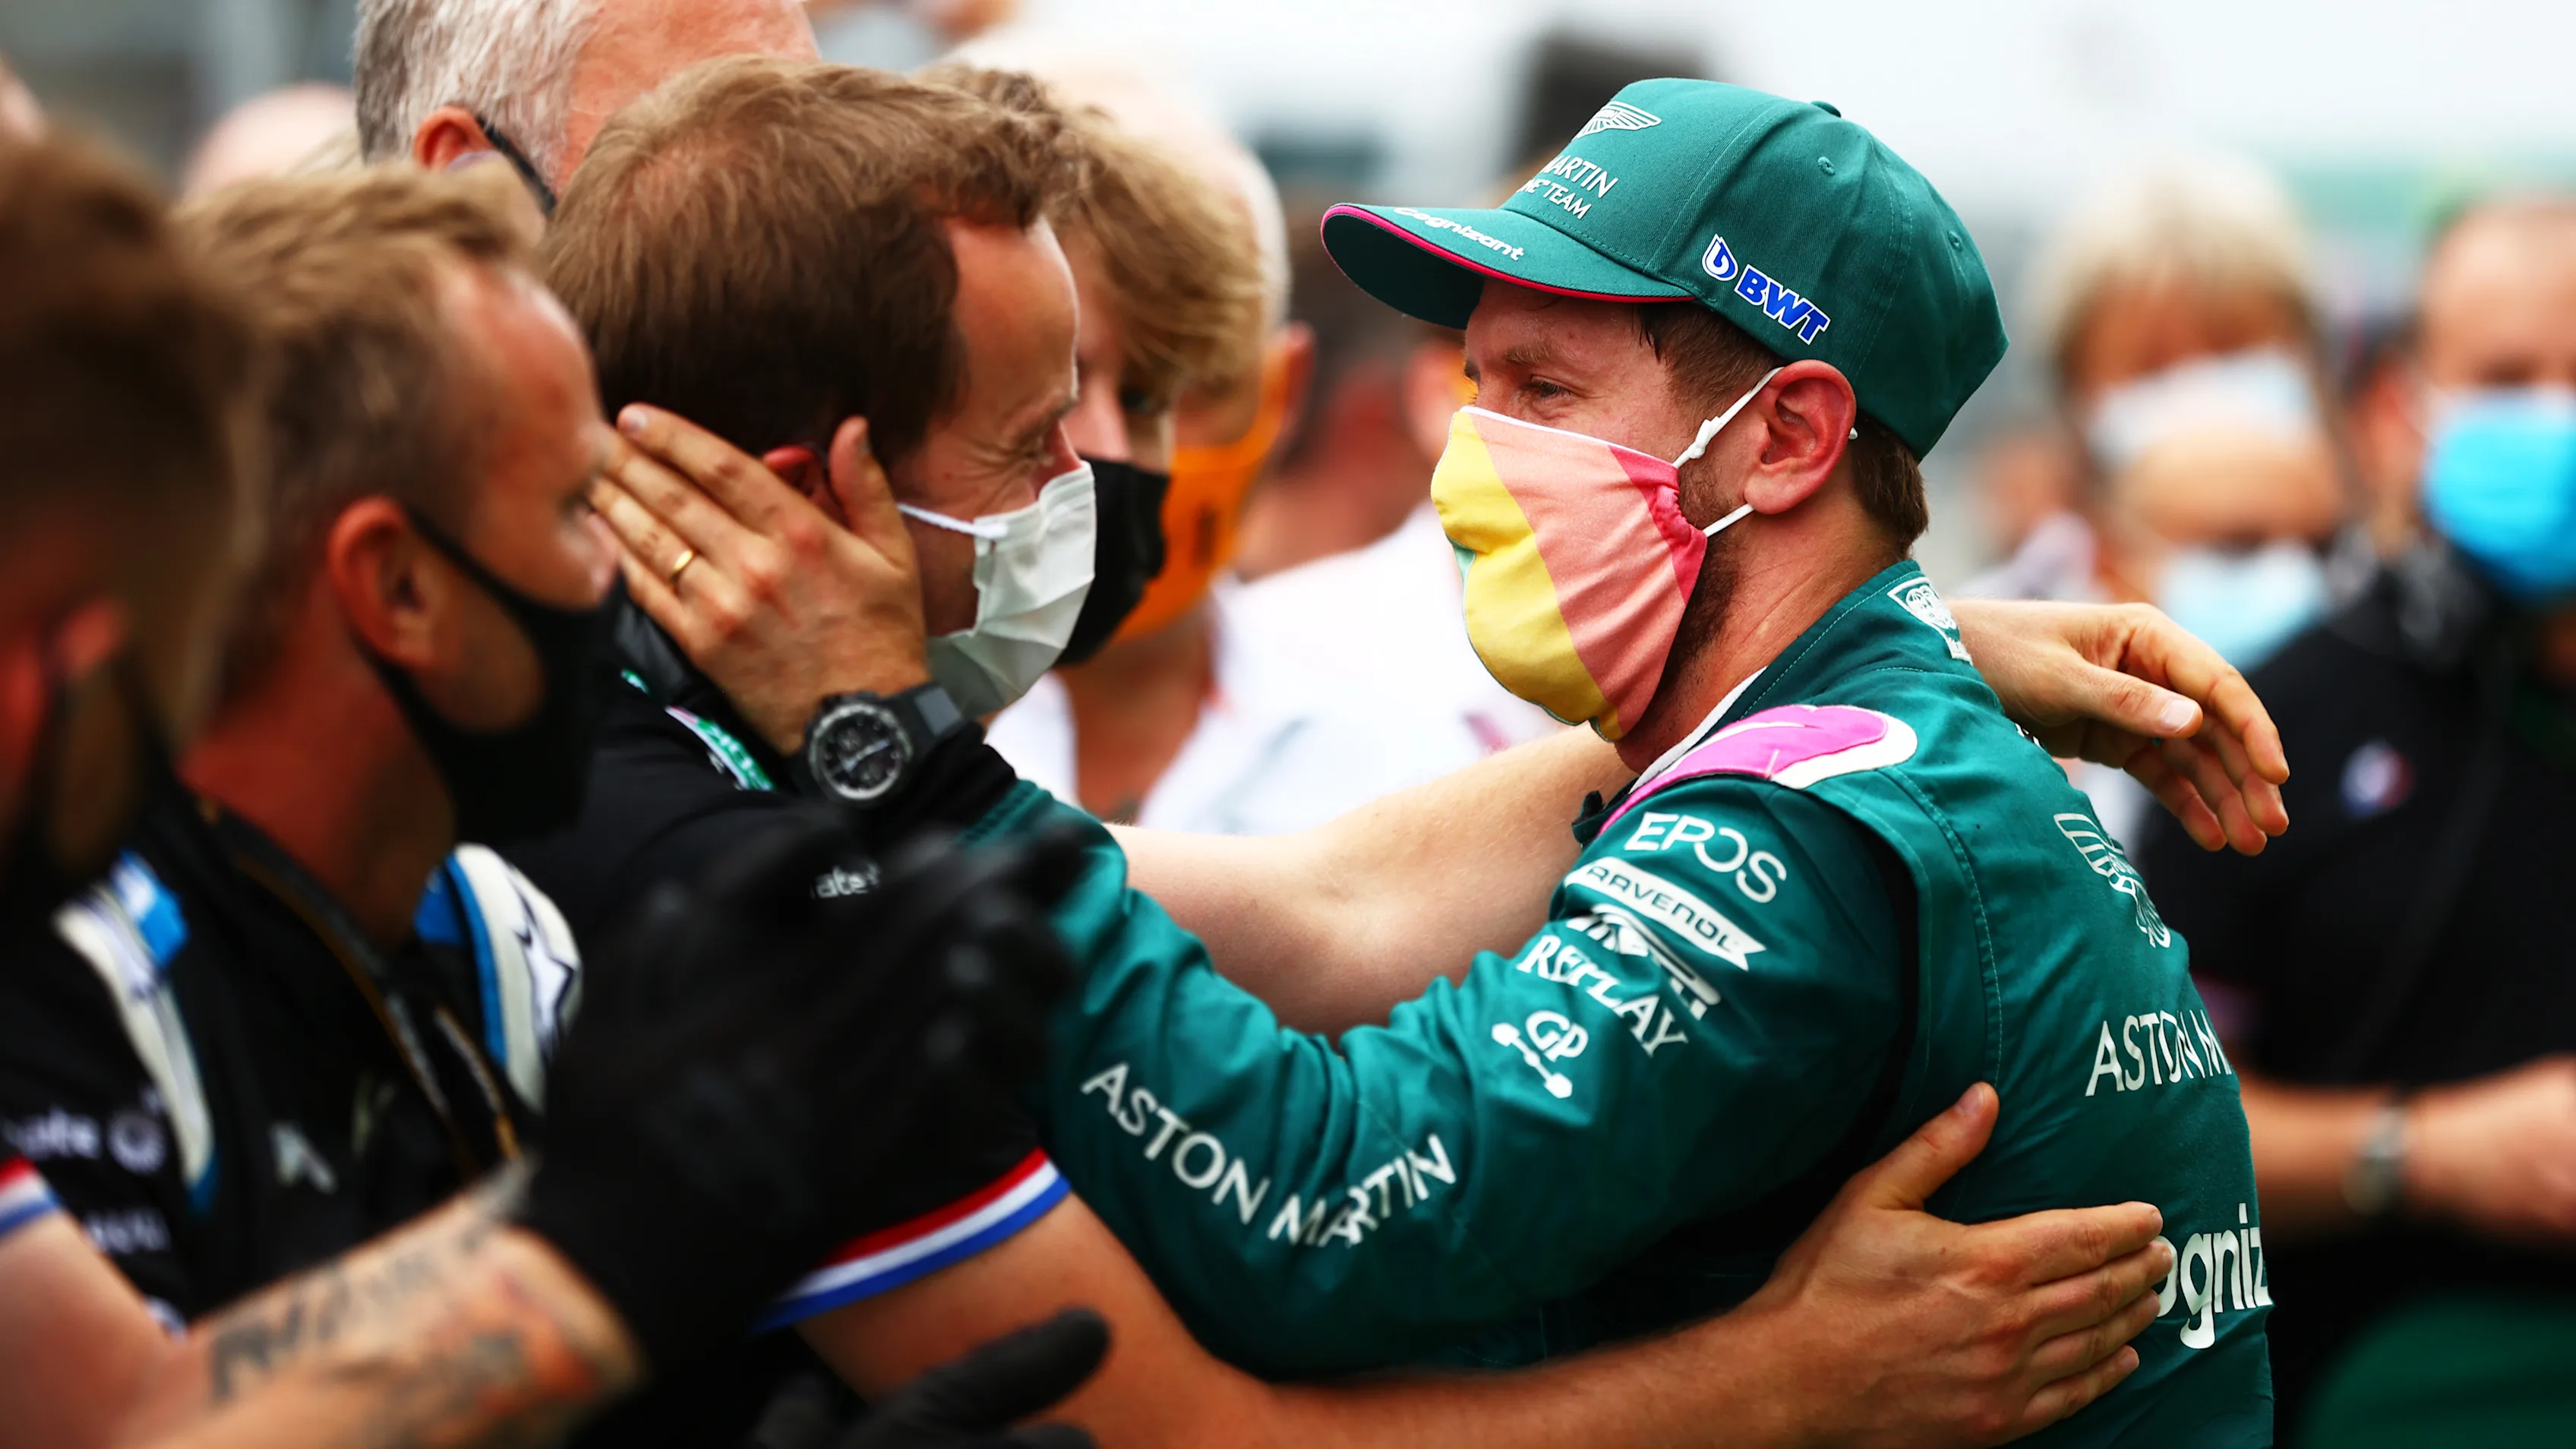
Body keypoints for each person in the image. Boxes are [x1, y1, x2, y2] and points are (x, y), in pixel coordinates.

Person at [550, 57, 2302, 1446]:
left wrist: (904, 760)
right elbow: (1314, 905)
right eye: (1468, 383)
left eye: (1538, 393)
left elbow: (1320, 1208)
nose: (1470, 453)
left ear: (1780, 437)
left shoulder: (1812, 828)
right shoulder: (1855, 749)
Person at [0, 150, 1095, 1449]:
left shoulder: (498, 935)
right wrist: (604, 1225)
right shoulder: (94, 966)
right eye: (580, 506)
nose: (624, 571)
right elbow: (127, 1428)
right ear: (398, 587)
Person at [2136, 194, 2576, 1448]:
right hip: (2374, 1376)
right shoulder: (2264, 728)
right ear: (2400, 412)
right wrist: (2425, 1152)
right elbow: (2137, 1116)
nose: (2557, 414)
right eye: (2505, 378)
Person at [971, 67, 1549, 833]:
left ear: (1283, 389)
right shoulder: (854, 711)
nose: (1114, 449)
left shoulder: (1415, 745)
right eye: (1063, 386)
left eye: (1182, 388)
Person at [1970, 153, 2349, 844]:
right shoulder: (1980, 646)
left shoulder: (2396, 619)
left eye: (2231, 353)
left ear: (2308, 364)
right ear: (2078, 398)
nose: (2200, 402)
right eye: (2154, 368)